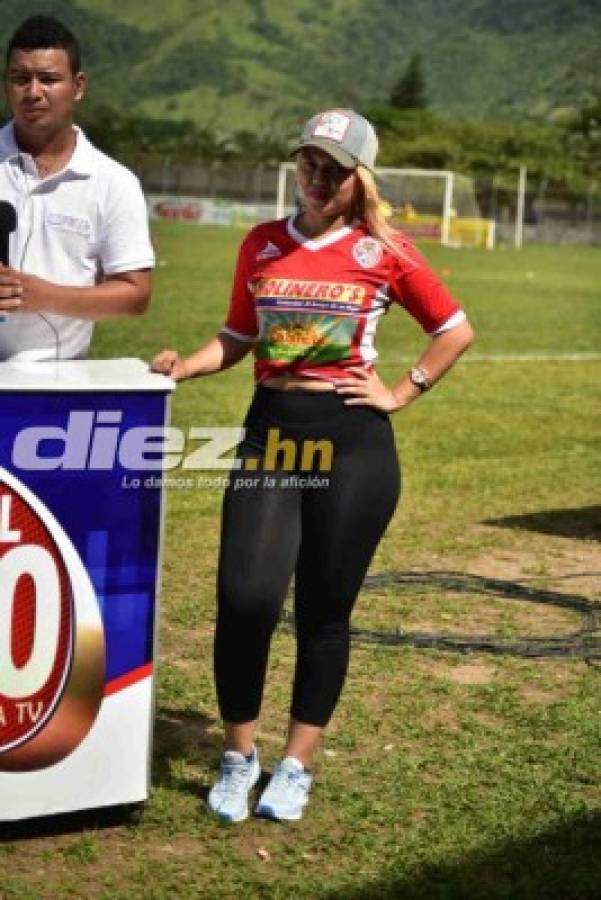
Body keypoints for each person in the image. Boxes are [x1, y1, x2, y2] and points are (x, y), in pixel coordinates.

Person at [152, 108, 475, 823]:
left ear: (358, 177)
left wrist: (399, 390)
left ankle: (295, 764)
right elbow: (236, 335)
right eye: (308, 163)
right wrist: (185, 367)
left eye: (333, 167)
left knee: (325, 612)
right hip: (273, 434)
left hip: (354, 443)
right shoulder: (263, 243)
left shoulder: (382, 250)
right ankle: (239, 757)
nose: (318, 178)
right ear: (297, 165)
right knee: (246, 599)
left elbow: (453, 330)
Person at [0, 15, 154, 362]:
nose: (33, 92)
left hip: (62, 381)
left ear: (79, 86)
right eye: (20, 79)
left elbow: (135, 295)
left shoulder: (114, 182)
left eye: (49, 79)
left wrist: (42, 295)